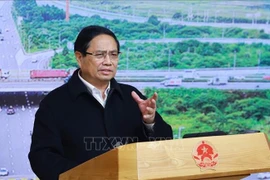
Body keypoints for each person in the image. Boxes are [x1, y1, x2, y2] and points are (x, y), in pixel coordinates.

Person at [28, 25, 173, 180]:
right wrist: (89, 175)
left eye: (113, 55)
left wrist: (149, 122)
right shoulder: (54, 104)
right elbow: (42, 159)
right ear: (79, 57)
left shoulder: (131, 95)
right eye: (100, 55)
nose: (108, 62)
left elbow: (165, 145)